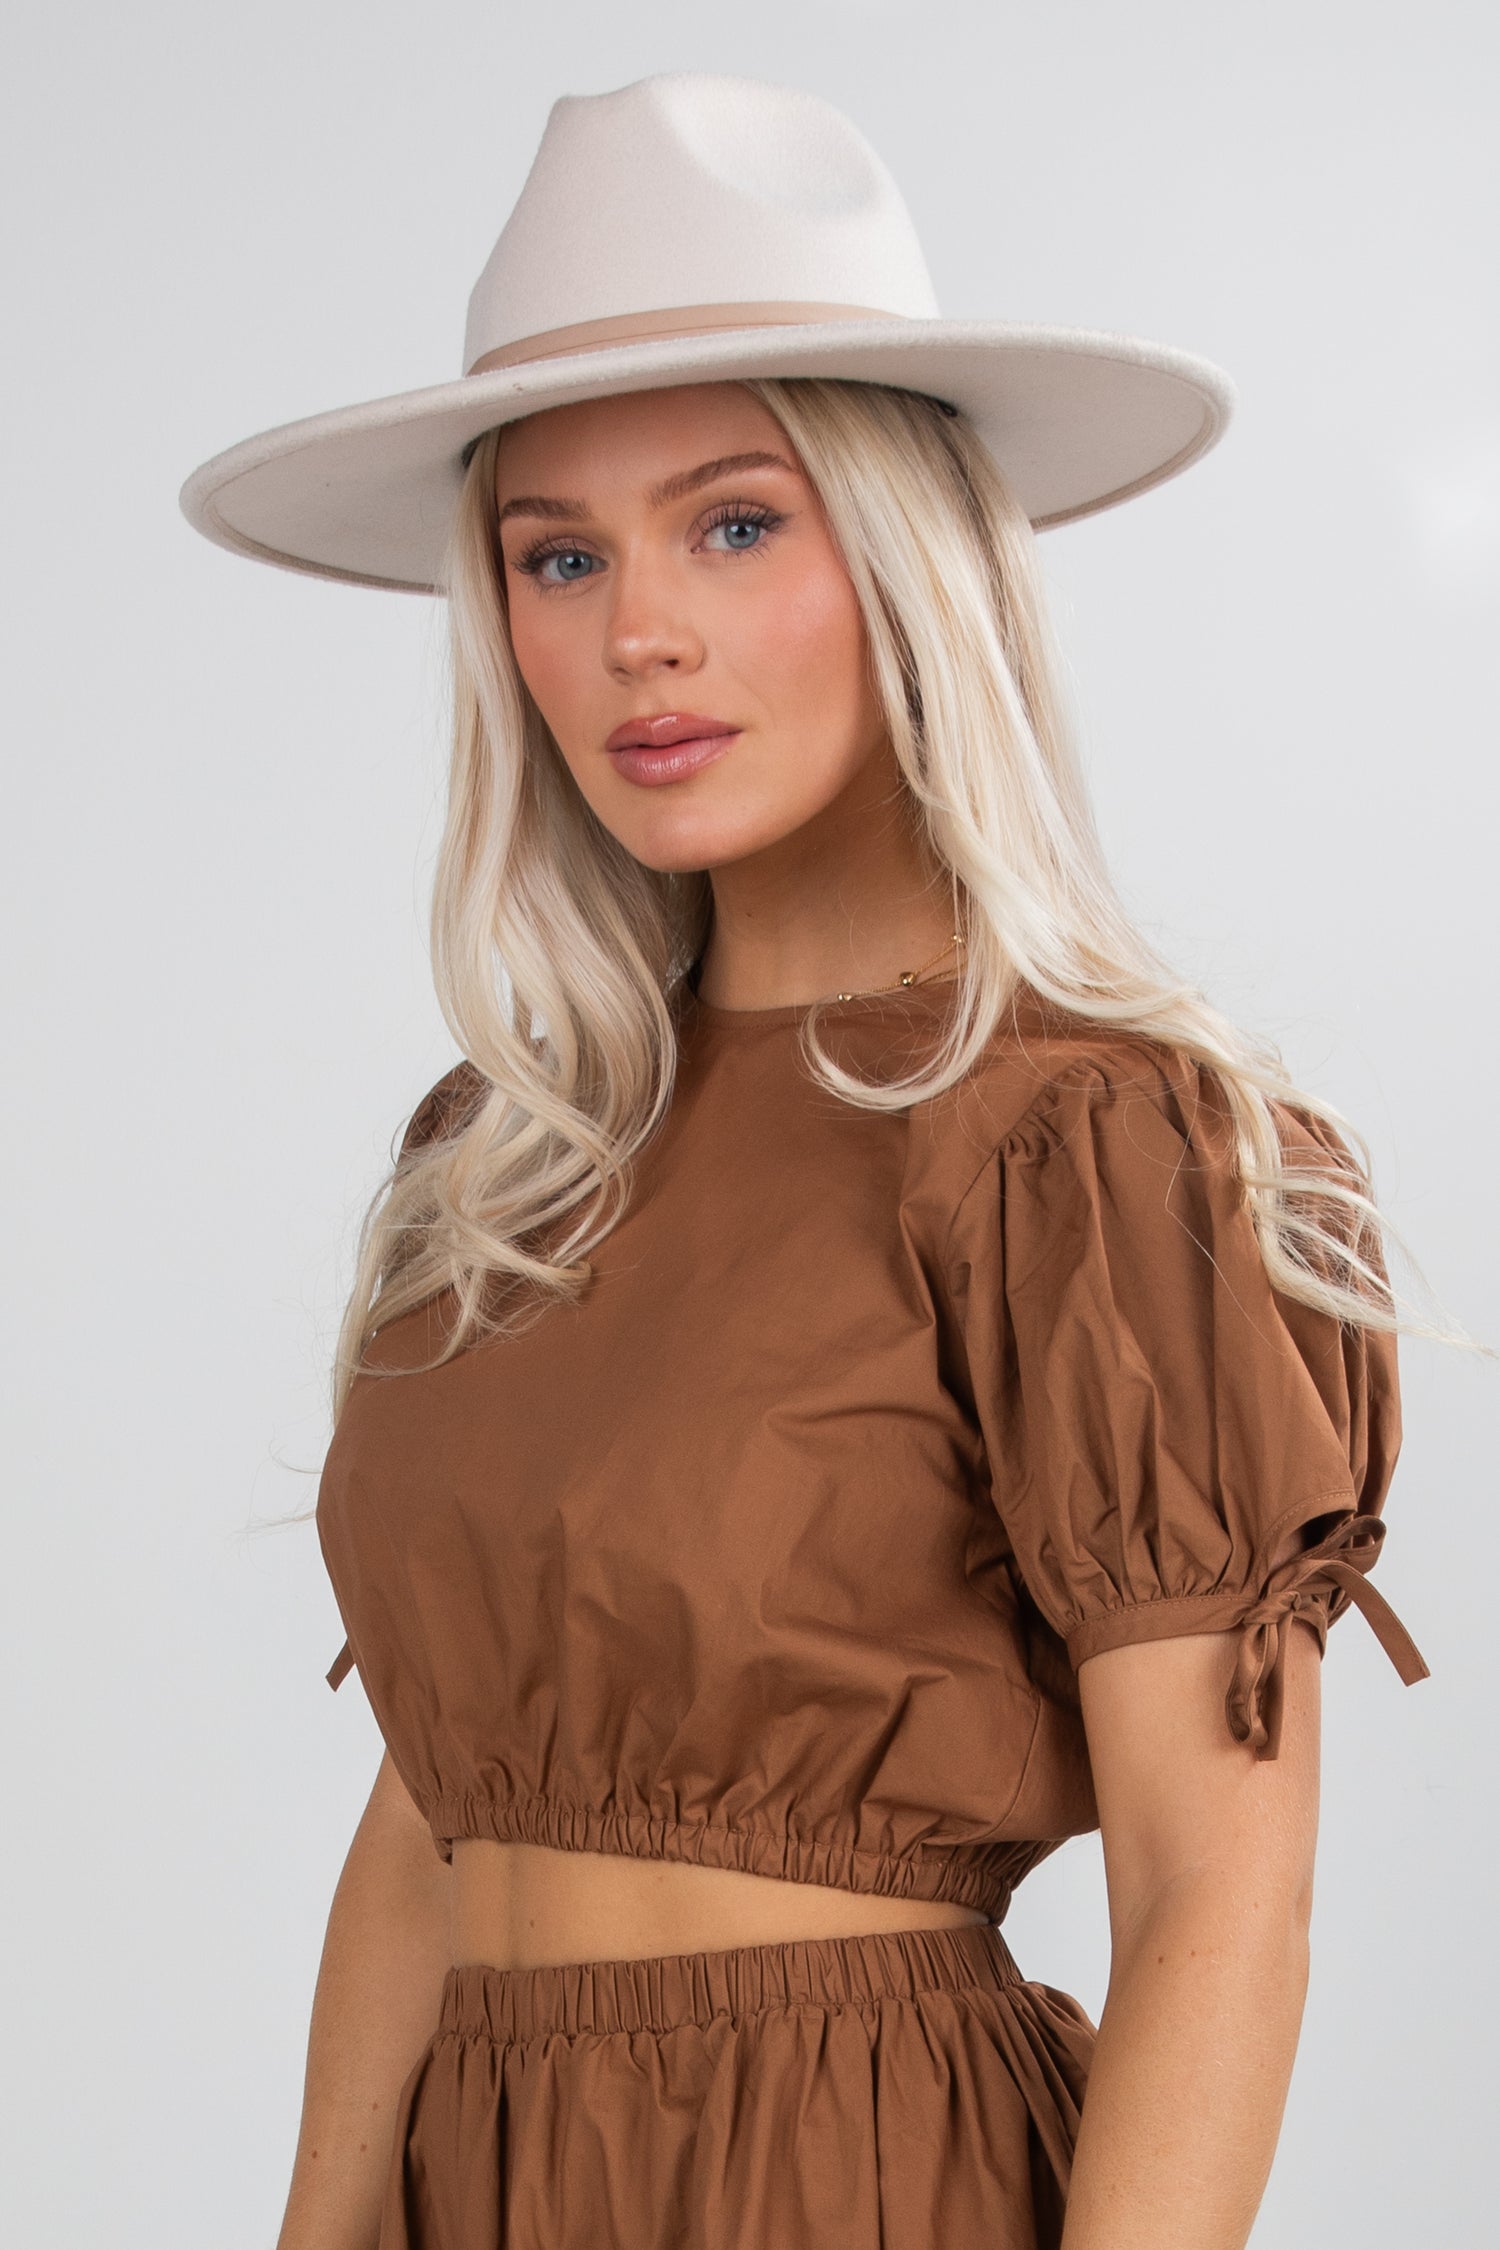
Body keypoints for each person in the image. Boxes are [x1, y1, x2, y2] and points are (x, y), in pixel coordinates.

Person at [181, 68, 1445, 2250]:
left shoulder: (1091, 1140)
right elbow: (434, 1819)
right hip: (479, 2169)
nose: (634, 634)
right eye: (556, 558)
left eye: (734, 523)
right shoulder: (504, 1158)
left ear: (908, 554)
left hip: (864, 2174)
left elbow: (1222, 1888)